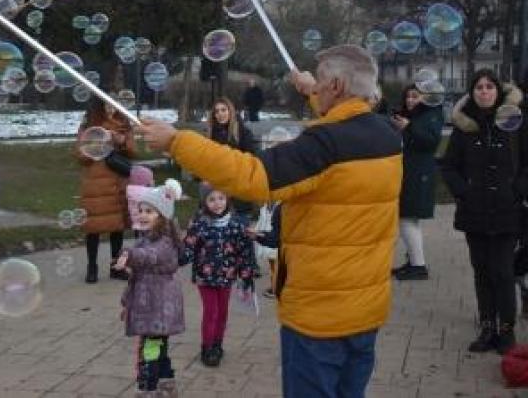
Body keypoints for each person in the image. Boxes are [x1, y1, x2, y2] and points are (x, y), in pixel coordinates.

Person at [138, 45, 402, 398]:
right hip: (365, 310)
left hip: (318, 317)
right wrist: (312, 90)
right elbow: (343, 127)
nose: (317, 86)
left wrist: (177, 142)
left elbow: (254, 175)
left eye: (322, 82)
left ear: (337, 86)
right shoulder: (385, 135)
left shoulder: (324, 145)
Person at [442, 70, 528, 355]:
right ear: (472, 93)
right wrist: (463, 192)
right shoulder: (464, 128)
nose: (484, 91)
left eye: (489, 86)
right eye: (478, 87)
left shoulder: (514, 122)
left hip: (507, 211)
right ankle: (487, 327)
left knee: (502, 272)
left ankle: (506, 330)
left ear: (498, 91)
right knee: (481, 272)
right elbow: (449, 165)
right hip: (475, 212)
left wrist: (518, 190)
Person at [113, 179, 184, 397]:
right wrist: (127, 302)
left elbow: (150, 257)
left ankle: (148, 389)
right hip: (149, 308)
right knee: (157, 348)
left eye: (149, 211)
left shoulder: (164, 242)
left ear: (162, 217)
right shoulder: (145, 240)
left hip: (159, 309)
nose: (142, 215)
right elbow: (136, 277)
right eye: (141, 210)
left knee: (149, 352)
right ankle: (166, 382)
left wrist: (130, 255)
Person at [180, 183, 257, 367]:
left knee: (222, 312)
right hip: (205, 277)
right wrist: (173, 259)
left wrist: (246, 275)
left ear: (227, 199)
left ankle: (217, 345)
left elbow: (245, 251)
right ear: (204, 202)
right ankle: (207, 347)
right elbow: (188, 249)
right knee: (211, 311)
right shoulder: (200, 224)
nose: (217, 203)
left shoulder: (237, 224)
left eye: (221, 198)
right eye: (211, 199)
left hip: (227, 276)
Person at [76, 95, 135, 283]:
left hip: (116, 180)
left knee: (116, 226)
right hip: (95, 181)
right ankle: (91, 267)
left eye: (114, 102)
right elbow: (80, 154)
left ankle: (116, 266)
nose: (111, 107)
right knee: (93, 226)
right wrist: (97, 143)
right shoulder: (89, 124)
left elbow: (133, 151)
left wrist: (120, 140)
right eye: (106, 102)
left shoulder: (123, 123)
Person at [390, 84, 444, 281]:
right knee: (410, 219)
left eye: (415, 96)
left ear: (425, 97)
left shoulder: (431, 114)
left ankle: (419, 266)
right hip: (412, 173)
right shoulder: (418, 116)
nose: (410, 100)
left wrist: (408, 127)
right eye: (408, 97)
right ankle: (413, 261)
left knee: (406, 218)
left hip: (419, 174)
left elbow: (430, 141)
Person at [207, 97, 257, 224]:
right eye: (217, 112)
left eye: (223, 110)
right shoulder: (211, 135)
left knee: (240, 226)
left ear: (231, 111)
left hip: (239, 182)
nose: (220, 114)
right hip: (219, 184)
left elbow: (251, 158)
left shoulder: (243, 133)